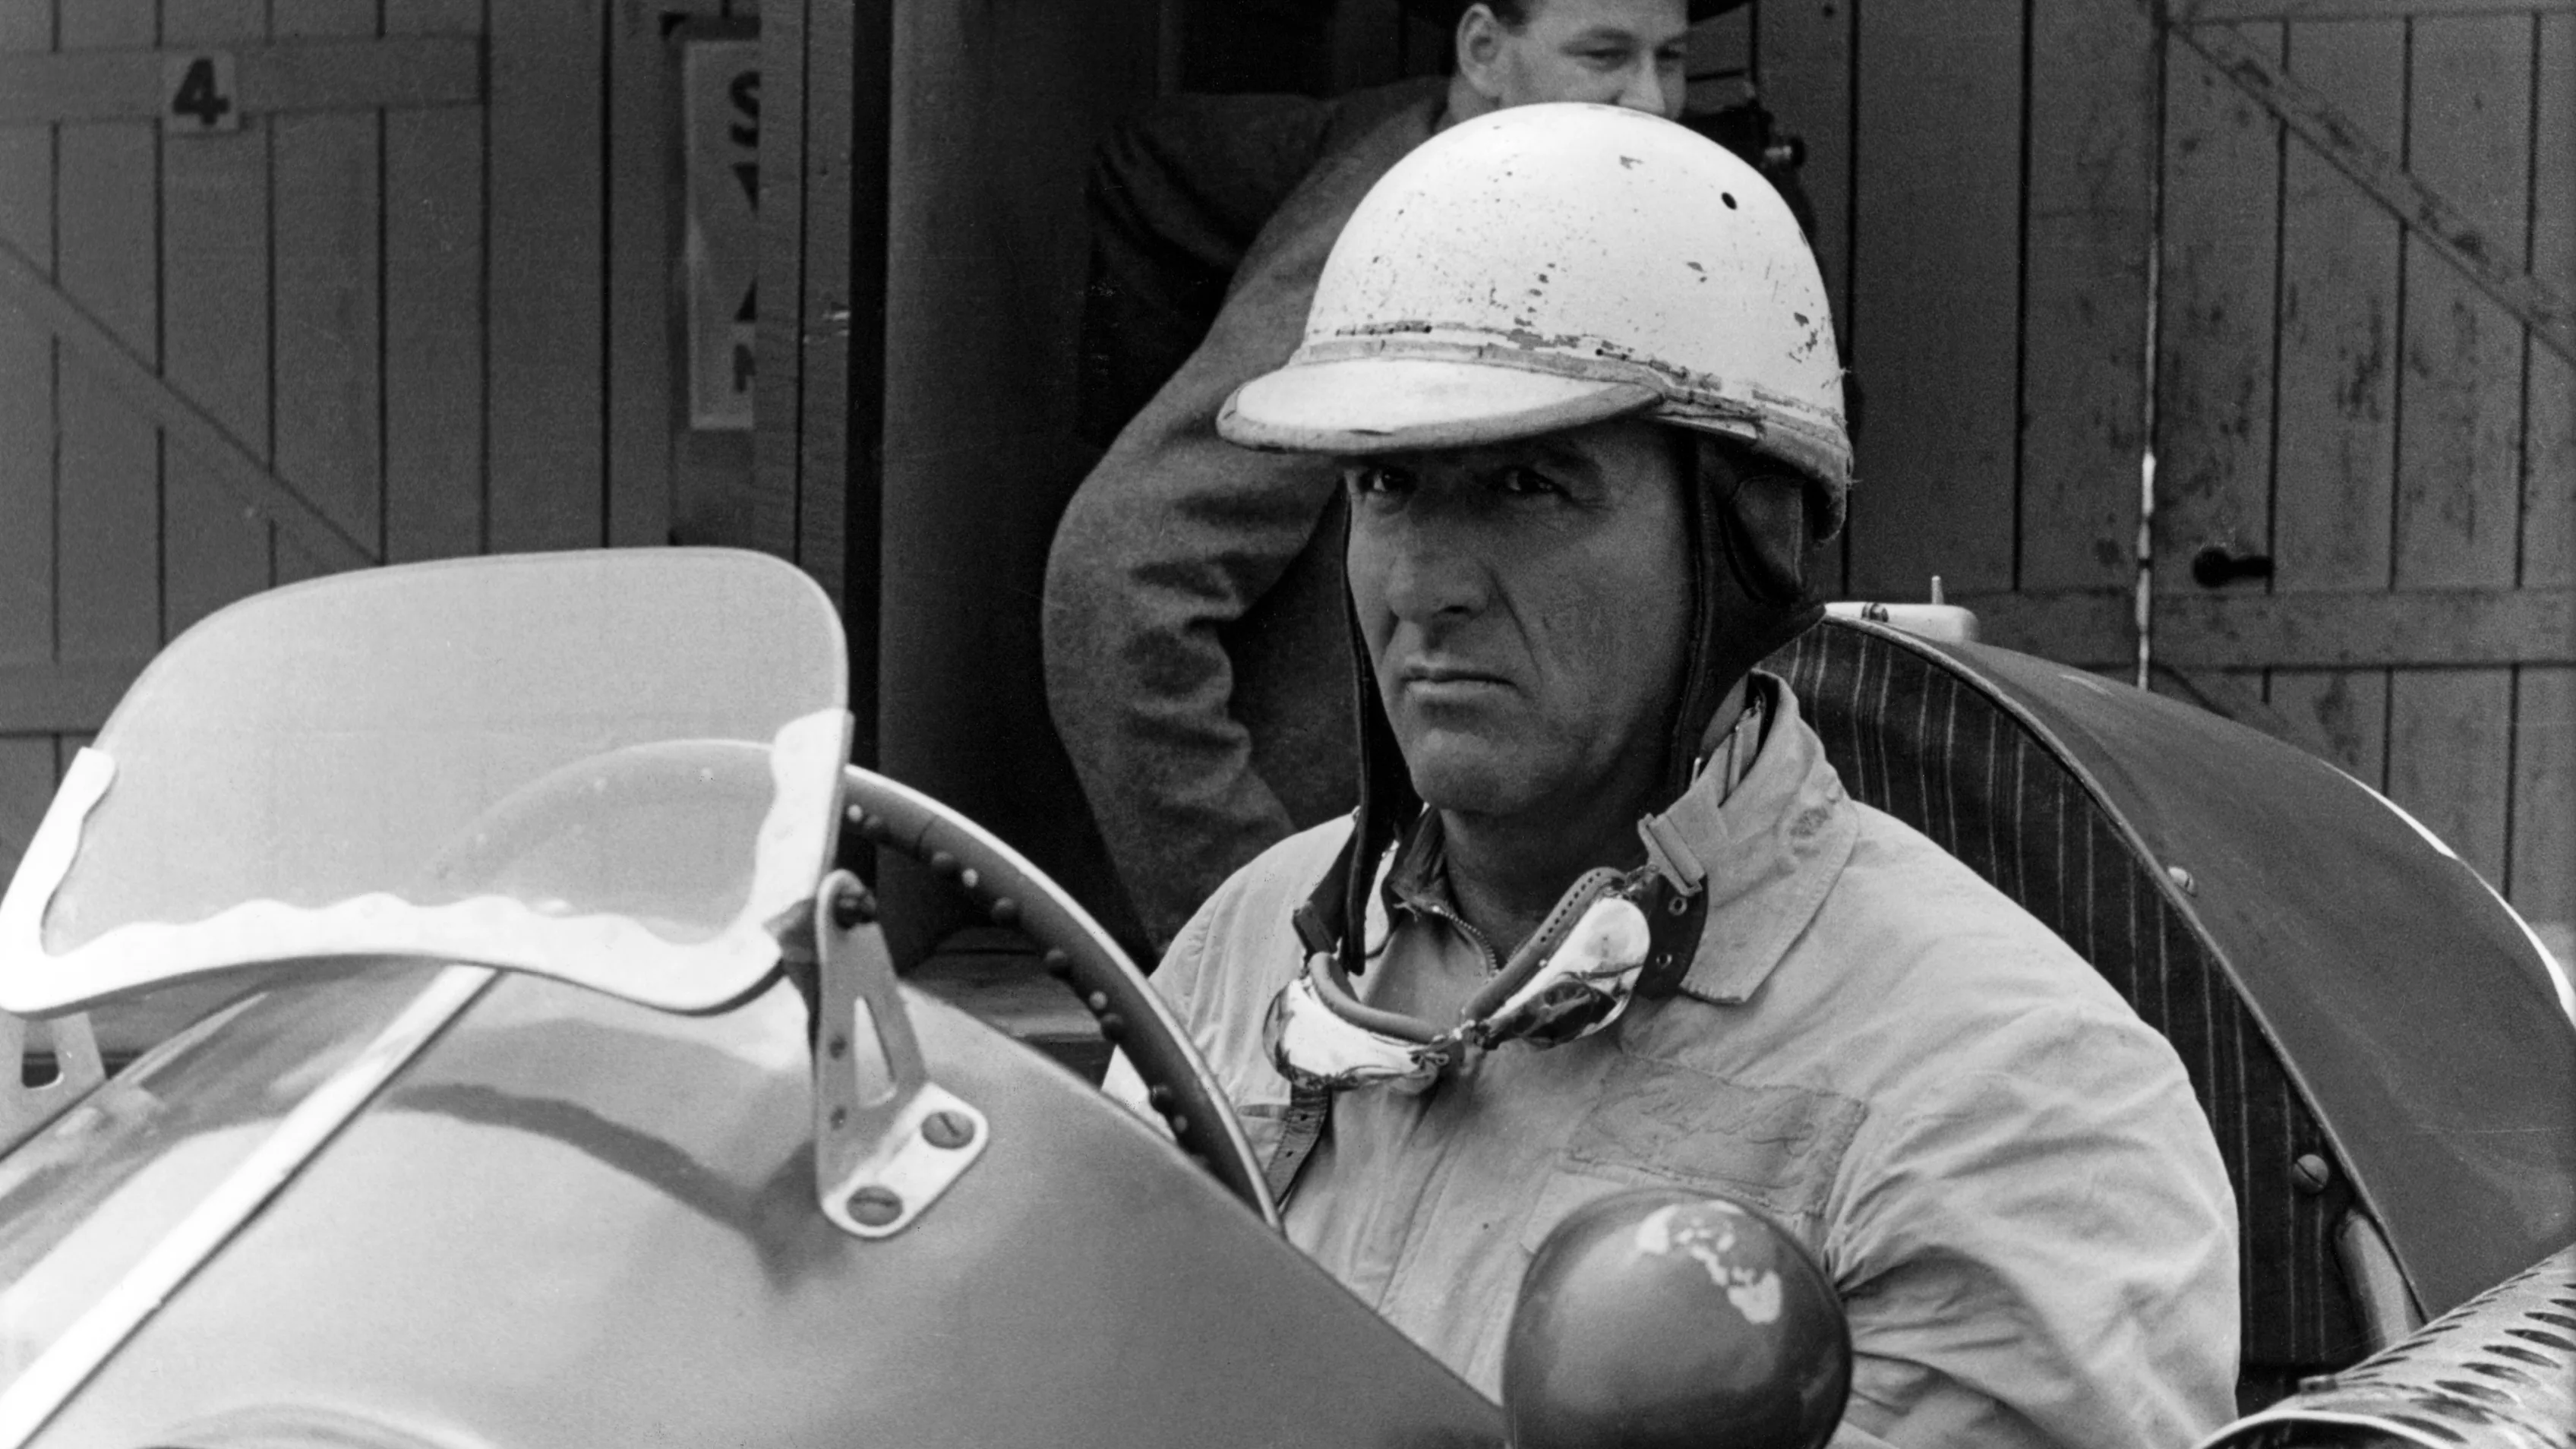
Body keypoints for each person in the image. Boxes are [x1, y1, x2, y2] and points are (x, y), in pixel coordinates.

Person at [1106, 106, 2240, 1447]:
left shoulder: (2011, 1094)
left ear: (1748, 538)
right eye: (1387, 484)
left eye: (1529, 485)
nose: (1423, 586)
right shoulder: (1249, 946)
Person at [1046, 0, 1733, 952]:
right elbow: (1115, 577)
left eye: (1672, 59)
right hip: (1358, 905)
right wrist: (1267, 938)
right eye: (1603, 55)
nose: (1650, 102)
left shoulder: (1499, 173)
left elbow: (1149, 152)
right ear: (1482, 50)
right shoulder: (1405, 233)